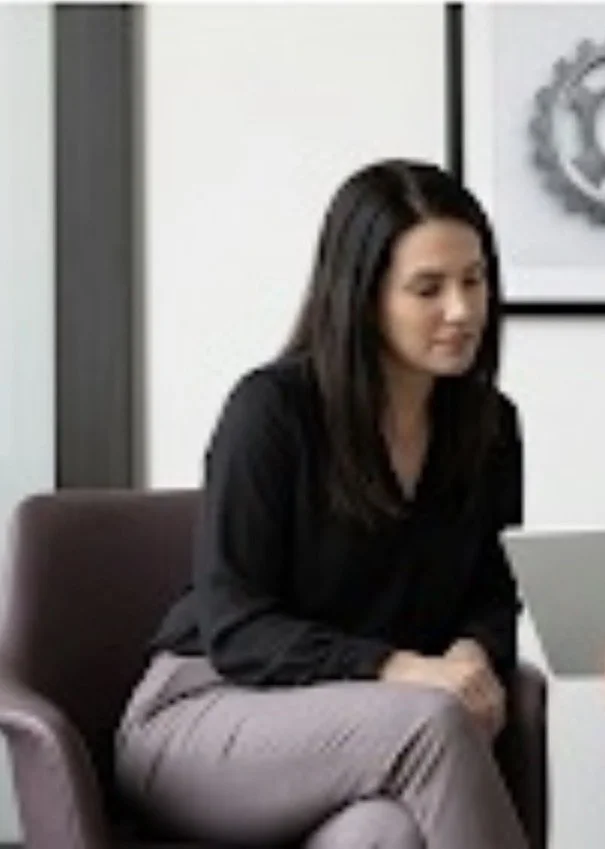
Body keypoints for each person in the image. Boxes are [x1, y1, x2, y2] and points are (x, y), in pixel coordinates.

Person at [116, 160, 529, 849]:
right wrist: (400, 669)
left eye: (474, 279)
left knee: (386, 834)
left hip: (361, 732)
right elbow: (235, 625)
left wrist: (471, 651)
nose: (462, 309)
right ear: (363, 296)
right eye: (428, 288)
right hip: (203, 714)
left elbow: (492, 589)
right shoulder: (271, 410)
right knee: (433, 721)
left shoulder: (488, 425)